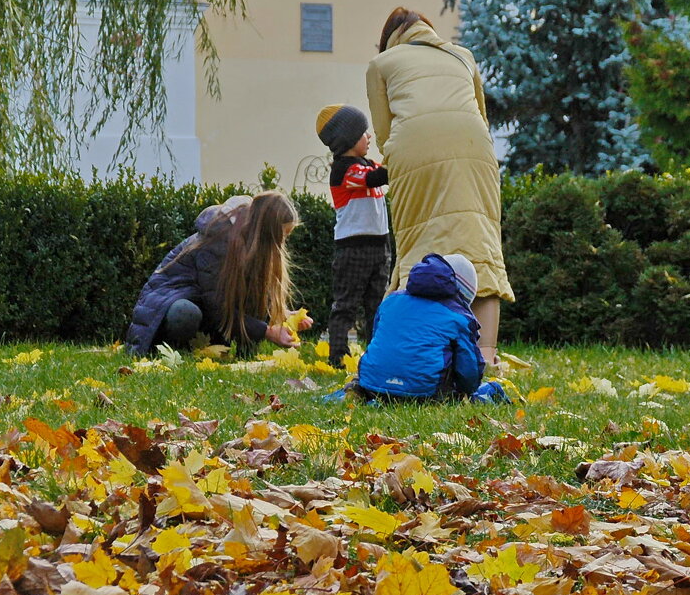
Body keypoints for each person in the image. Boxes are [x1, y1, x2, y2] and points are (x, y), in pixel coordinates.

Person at [366, 7, 514, 368]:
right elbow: (481, 113)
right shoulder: (462, 55)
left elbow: (384, 133)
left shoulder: (381, 64)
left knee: (419, 248)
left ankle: (416, 352)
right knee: (482, 249)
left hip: (413, 150)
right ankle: (486, 358)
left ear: (389, 38)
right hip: (473, 149)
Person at [125, 191, 312, 356]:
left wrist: (284, 314)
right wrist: (267, 331)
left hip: (204, 305)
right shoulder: (218, 242)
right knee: (184, 313)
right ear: (266, 232)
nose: (282, 243)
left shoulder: (250, 240)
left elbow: (254, 291)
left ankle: (217, 350)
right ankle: (173, 351)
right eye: (282, 235)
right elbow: (218, 306)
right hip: (173, 306)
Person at [317, 103, 391, 368]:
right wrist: (397, 154)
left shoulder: (367, 164)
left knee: (377, 304)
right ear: (348, 138)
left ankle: (375, 354)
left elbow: (379, 173)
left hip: (380, 245)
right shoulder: (345, 170)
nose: (369, 137)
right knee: (346, 304)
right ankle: (338, 355)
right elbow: (376, 178)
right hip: (353, 248)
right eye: (364, 132)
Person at [354, 253, 484, 401]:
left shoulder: (391, 301)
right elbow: (469, 371)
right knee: (491, 390)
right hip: (425, 394)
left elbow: (378, 339)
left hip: (373, 386)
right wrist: (466, 390)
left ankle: (359, 390)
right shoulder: (460, 318)